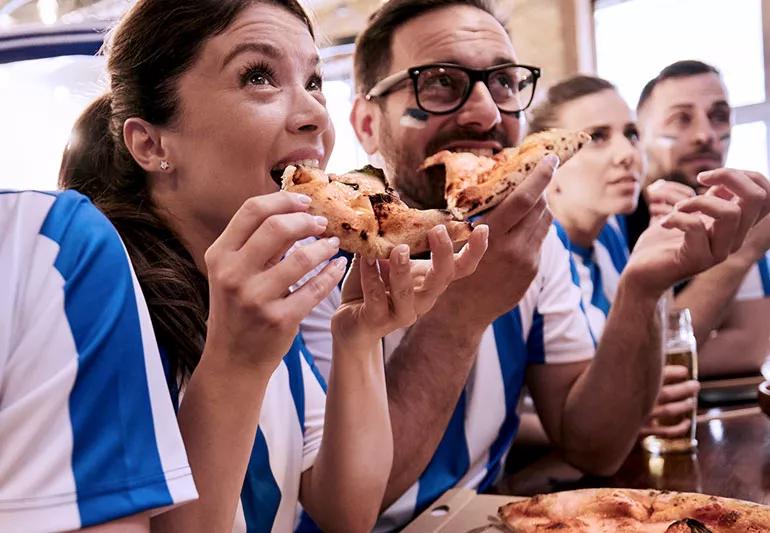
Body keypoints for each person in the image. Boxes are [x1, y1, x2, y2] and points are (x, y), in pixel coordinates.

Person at [59, 1, 487, 532]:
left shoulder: (270, 281)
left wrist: (358, 338)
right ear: (151, 143)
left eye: (313, 81)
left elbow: (345, 510)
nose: (316, 115)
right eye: (258, 77)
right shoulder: (93, 300)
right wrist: (236, 359)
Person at [347, 0, 769, 529]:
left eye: (503, 83)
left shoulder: (532, 237)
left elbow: (594, 446)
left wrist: (644, 285)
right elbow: (348, 508)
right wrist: (463, 315)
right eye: (438, 83)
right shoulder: (333, 252)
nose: (485, 113)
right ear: (366, 123)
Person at [0, 189, 197, 532]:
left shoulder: (54, 243)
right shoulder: (54, 243)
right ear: (150, 146)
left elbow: (324, 505)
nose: (318, 130)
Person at [527, 74, 701, 439]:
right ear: (544, 162)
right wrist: (624, 418)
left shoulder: (611, 233)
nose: (627, 155)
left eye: (632, 134)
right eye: (597, 138)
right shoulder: (530, 252)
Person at [632, 60, 770, 377]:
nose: (706, 135)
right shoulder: (616, 217)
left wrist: (643, 365)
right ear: (640, 135)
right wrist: (744, 251)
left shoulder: (739, 205)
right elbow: (639, 363)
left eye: (719, 117)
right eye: (682, 119)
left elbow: (749, 346)